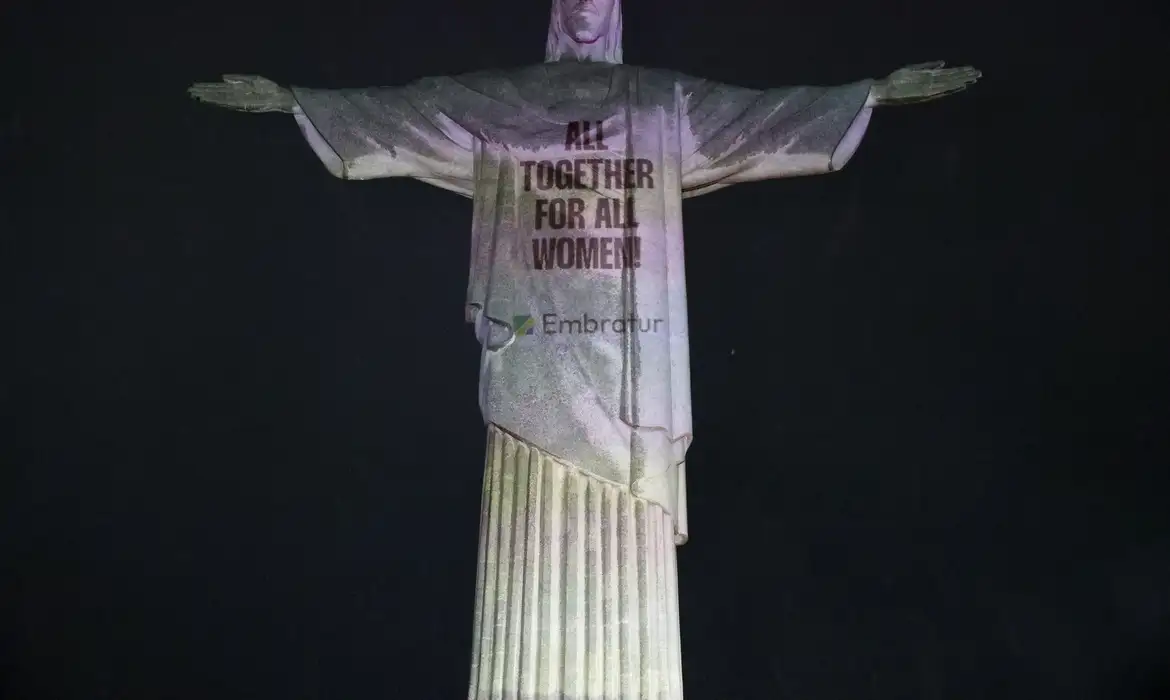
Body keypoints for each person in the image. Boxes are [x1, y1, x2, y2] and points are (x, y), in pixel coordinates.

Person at [189, 2, 979, 697]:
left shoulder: (657, 101)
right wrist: (299, 102)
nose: (584, 4)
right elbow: (406, 114)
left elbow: (758, 121)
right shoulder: (503, 102)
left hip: (632, 378)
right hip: (531, 357)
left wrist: (864, 94)